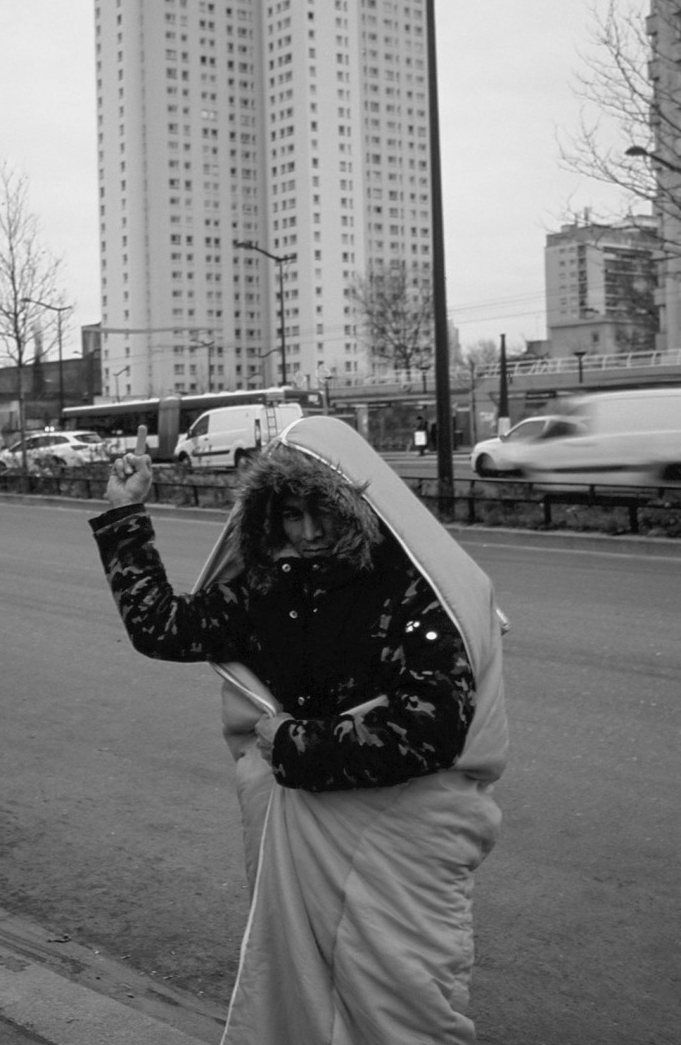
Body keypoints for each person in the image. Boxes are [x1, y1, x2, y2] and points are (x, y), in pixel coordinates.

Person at [90, 415, 508, 1045]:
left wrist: (293, 743)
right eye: (291, 516)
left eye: (323, 513)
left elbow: (432, 730)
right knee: (303, 993)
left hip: (402, 836)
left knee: (407, 1008)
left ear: (358, 507)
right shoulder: (268, 588)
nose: (308, 534)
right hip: (302, 829)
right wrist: (126, 513)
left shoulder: (413, 593)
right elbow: (162, 629)